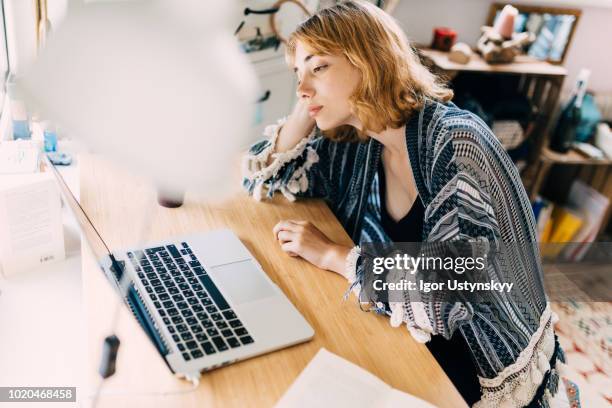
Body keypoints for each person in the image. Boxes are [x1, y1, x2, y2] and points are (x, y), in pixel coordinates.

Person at [242, 2, 576, 407]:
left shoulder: (455, 142)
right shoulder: (360, 138)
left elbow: (452, 291)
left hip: (477, 353)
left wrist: (335, 255)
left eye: (319, 67)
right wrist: (306, 106)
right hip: (408, 323)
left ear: (368, 61)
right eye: (298, 72)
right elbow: (266, 181)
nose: (302, 85)